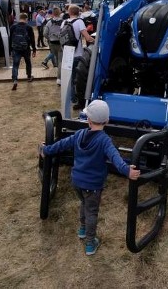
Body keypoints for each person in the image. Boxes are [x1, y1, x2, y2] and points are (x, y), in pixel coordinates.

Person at [37, 100, 140, 256]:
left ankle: (83, 229)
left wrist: (47, 150)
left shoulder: (78, 134)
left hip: (76, 181)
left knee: (84, 203)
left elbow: (62, 144)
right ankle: (90, 243)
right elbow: (115, 158)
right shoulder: (105, 140)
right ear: (107, 121)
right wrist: (127, 171)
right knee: (92, 211)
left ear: (88, 120)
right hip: (92, 186)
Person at [64, 5, 94, 109]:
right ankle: (78, 101)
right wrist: (95, 41)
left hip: (67, 54)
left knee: (70, 79)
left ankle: (72, 99)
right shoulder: (79, 22)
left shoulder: (64, 22)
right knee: (78, 79)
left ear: (69, 12)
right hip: (77, 54)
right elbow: (87, 38)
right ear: (78, 12)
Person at [9, 13, 36, 90]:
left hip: (15, 49)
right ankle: (29, 76)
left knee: (15, 65)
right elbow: (32, 39)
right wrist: (34, 49)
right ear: (26, 19)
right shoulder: (29, 27)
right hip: (26, 48)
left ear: (19, 18)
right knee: (28, 62)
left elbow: (10, 39)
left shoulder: (13, 27)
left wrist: (10, 50)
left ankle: (15, 80)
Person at [41, 8, 64, 84]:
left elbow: (44, 33)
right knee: (61, 61)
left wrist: (49, 38)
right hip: (60, 43)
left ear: (53, 13)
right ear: (60, 13)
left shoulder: (49, 22)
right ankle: (59, 78)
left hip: (52, 43)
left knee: (57, 59)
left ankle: (58, 74)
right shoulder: (63, 22)